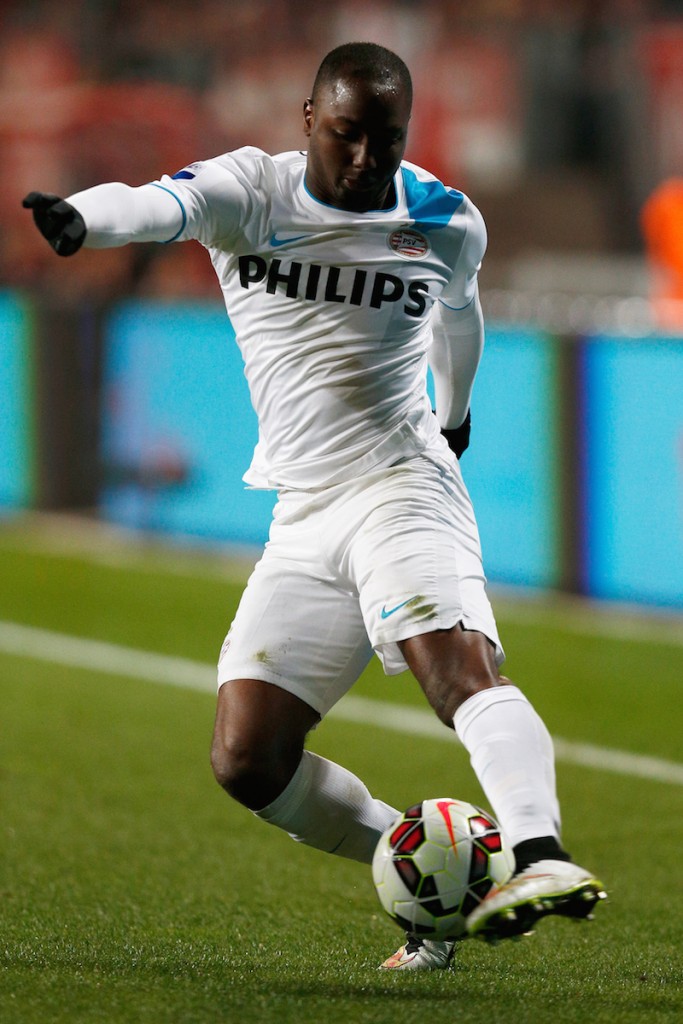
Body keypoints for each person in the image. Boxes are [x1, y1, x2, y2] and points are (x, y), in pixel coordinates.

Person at [24, 41, 606, 972]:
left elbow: (461, 317)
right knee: (248, 759)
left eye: (387, 138)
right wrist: (82, 221)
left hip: (399, 486)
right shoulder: (249, 192)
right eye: (347, 135)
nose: (367, 159)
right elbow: (153, 204)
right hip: (303, 512)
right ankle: (426, 881)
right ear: (307, 121)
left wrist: (452, 419)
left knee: (452, 669)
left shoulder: (443, 217)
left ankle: (539, 853)